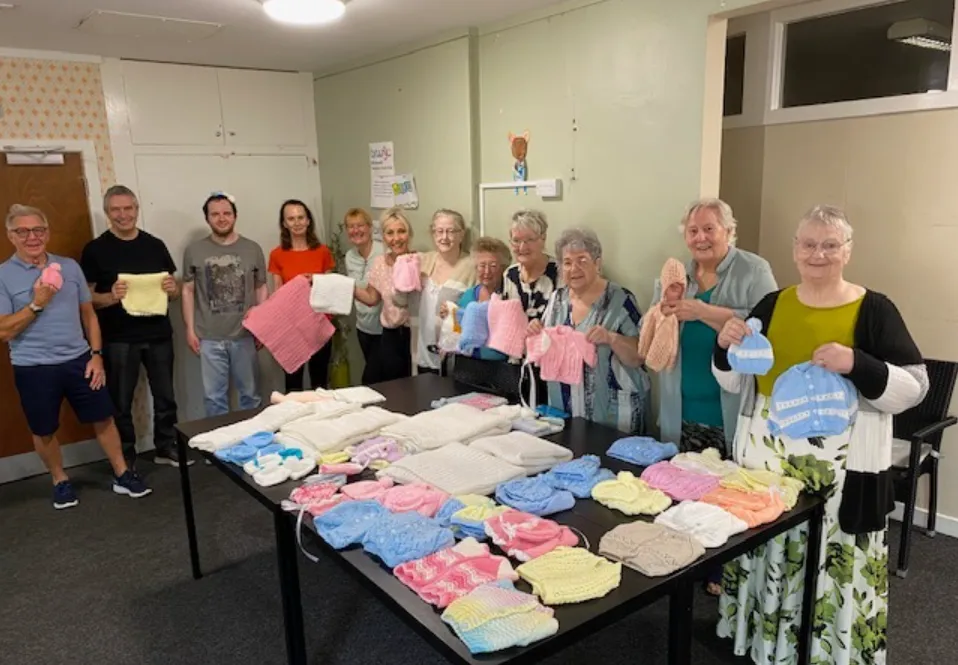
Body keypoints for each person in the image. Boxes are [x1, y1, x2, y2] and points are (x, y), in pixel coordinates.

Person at [713, 205, 927, 665]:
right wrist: (724, 345)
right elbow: (734, 381)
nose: (818, 254)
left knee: (833, 555)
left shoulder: (873, 309)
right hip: (767, 459)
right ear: (794, 250)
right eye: (808, 244)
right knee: (771, 549)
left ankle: (829, 653)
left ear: (847, 250)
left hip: (844, 467)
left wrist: (858, 364)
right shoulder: (773, 304)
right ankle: (769, 646)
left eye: (831, 244)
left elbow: (915, 388)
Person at [0, 204, 151, 509]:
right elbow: (3, 331)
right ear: (10, 236)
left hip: (79, 359)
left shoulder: (69, 267)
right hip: (33, 366)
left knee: (103, 417)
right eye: (23, 231)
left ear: (47, 233)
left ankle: (122, 473)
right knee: (43, 429)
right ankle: (60, 480)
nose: (33, 237)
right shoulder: (3, 275)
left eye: (39, 230)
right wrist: (36, 304)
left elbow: (89, 316)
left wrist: (95, 355)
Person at [653, 198, 777, 456]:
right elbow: (651, 329)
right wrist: (659, 315)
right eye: (693, 231)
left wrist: (701, 311)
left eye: (709, 229)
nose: (701, 238)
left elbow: (768, 327)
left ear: (729, 232)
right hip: (679, 415)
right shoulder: (675, 276)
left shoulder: (754, 270)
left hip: (730, 415)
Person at [80, 185, 188, 468]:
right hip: (118, 338)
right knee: (119, 402)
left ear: (137, 210)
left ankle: (166, 447)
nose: (123, 215)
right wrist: (110, 297)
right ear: (107, 213)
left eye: (128, 208)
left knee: (166, 397)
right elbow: (87, 298)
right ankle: (124, 454)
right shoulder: (95, 250)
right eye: (116, 209)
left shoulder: (155, 245)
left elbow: (173, 291)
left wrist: (171, 288)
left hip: (159, 334)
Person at [533, 228, 650, 432]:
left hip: (615, 417)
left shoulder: (620, 300)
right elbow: (543, 349)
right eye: (567, 262)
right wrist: (534, 332)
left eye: (582, 260)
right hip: (564, 412)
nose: (574, 268)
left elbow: (640, 355)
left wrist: (611, 338)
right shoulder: (556, 300)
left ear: (597, 264)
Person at [181, 193, 267, 417]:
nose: (221, 218)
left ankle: (253, 442)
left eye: (227, 213)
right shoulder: (194, 251)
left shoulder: (252, 249)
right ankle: (219, 448)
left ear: (235, 216)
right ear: (207, 218)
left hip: (245, 334)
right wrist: (190, 329)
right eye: (215, 214)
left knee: (250, 395)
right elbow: (187, 290)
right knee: (214, 398)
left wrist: (263, 327)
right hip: (208, 337)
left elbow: (261, 288)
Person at [267, 199, 335, 391]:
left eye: (300, 217)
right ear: (284, 223)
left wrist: (315, 279)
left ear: (308, 221)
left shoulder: (322, 252)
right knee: (293, 383)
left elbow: (330, 289)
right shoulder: (277, 254)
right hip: (292, 328)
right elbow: (278, 295)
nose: (296, 222)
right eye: (291, 218)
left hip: (319, 324)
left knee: (320, 383)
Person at [353, 207, 414, 382]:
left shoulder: (418, 261)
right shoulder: (380, 263)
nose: (396, 238)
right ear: (384, 236)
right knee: (384, 383)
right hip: (390, 334)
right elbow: (372, 298)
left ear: (409, 233)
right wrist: (348, 287)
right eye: (390, 233)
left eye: (401, 231)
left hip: (414, 335)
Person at [414, 209, 475, 375]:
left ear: (461, 235)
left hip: (455, 357)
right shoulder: (423, 261)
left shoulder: (472, 267)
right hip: (423, 353)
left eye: (451, 231)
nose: (444, 237)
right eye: (439, 231)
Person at [440, 236, 512, 362]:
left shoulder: (510, 295)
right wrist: (450, 315)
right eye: (482, 265)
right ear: (475, 267)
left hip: (501, 368)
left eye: (493, 266)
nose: (486, 271)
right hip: (469, 366)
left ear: (503, 267)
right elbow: (459, 330)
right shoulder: (469, 295)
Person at [343, 208, 384, 384]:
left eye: (360, 225)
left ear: (369, 227)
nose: (356, 230)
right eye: (351, 227)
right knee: (374, 378)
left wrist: (344, 285)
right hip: (363, 327)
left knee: (372, 379)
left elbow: (374, 297)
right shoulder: (349, 256)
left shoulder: (382, 252)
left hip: (384, 328)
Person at [502, 209, 559, 321]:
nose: (522, 247)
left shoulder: (560, 272)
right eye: (516, 240)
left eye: (530, 240)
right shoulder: (509, 274)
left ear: (543, 238)